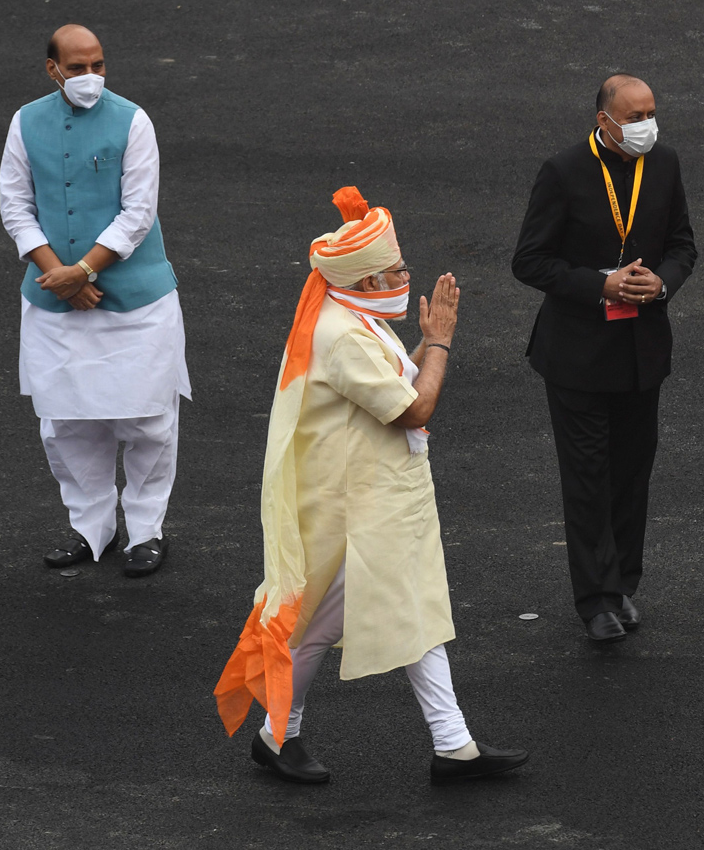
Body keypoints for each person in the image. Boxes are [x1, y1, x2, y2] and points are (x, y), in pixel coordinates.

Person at [214, 188, 528, 785]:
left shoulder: (356, 318)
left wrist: (425, 349)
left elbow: (396, 382)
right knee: (332, 624)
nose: (406, 276)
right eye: (397, 270)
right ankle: (279, 735)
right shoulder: (346, 334)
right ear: (362, 283)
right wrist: (439, 340)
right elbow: (413, 408)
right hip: (356, 509)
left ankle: (447, 744)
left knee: (406, 611)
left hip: (374, 499)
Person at [0, 24, 190, 577]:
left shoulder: (133, 120)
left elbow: (139, 211)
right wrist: (59, 274)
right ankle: (90, 529)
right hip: (55, 300)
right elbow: (15, 205)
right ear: (51, 69)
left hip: (136, 303)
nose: (90, 78)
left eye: (98, 66)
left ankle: (147, 532)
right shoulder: (24, 121)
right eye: (77, 68)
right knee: (67, 422)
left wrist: (82, 270)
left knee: (148, 419)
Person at [512, 74, 697, 642]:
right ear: (605, 121)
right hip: (577, 356)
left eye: (651, 113)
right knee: (588, 475)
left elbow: (683, 246)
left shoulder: (662, 164)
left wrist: (660, 285)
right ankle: (594, 600)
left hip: (642, 351)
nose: (646, 125)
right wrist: (602, 285)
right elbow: (530, 261)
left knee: (632, 474)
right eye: (635, 116)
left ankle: (622, 586)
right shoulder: (563, 172)